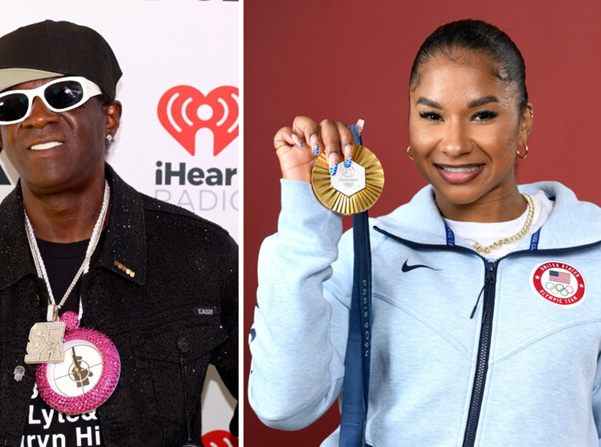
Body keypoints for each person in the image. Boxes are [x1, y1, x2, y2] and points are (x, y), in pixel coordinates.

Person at [248, 19, 600, 446]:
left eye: (483, 115)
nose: (453, 144)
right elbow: (284, 405)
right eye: (432, 116)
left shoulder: (592, 251)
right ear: (411, 125)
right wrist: (308, 212)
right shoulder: (371, 250)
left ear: (523, 122)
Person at [0, 20, 237, 446]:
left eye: (62, 95)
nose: (36, 117)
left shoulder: (198, 253)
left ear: (109, 116)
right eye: (12, 105)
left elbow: (273, 404)